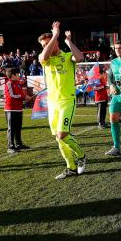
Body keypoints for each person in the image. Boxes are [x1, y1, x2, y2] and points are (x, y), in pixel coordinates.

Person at [38, 22, 87, 180]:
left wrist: (67, 41)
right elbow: (43, 56)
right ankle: (70, 167)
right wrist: (54, 35)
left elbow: (79, 57)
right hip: (52, 103)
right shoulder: (45, 60)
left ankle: (81, 155)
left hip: (67, 101)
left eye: (48, 43)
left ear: (56, 42)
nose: (46, 47)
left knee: (63, 134)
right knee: (59, 138)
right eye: (44, 45)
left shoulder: (67, 57)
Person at [4, 67, 30, 154]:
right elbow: (11, 95)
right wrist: (23, 97)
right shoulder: (9, 83)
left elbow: (20, 95)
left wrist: (25, 99)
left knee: (18, 127)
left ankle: (19, 144)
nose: (19, 75)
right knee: (11, 128)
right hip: (10, 109)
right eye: (18, 74)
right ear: (13, 75)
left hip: (18, 109)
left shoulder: (18, 83)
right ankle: (10, 146)